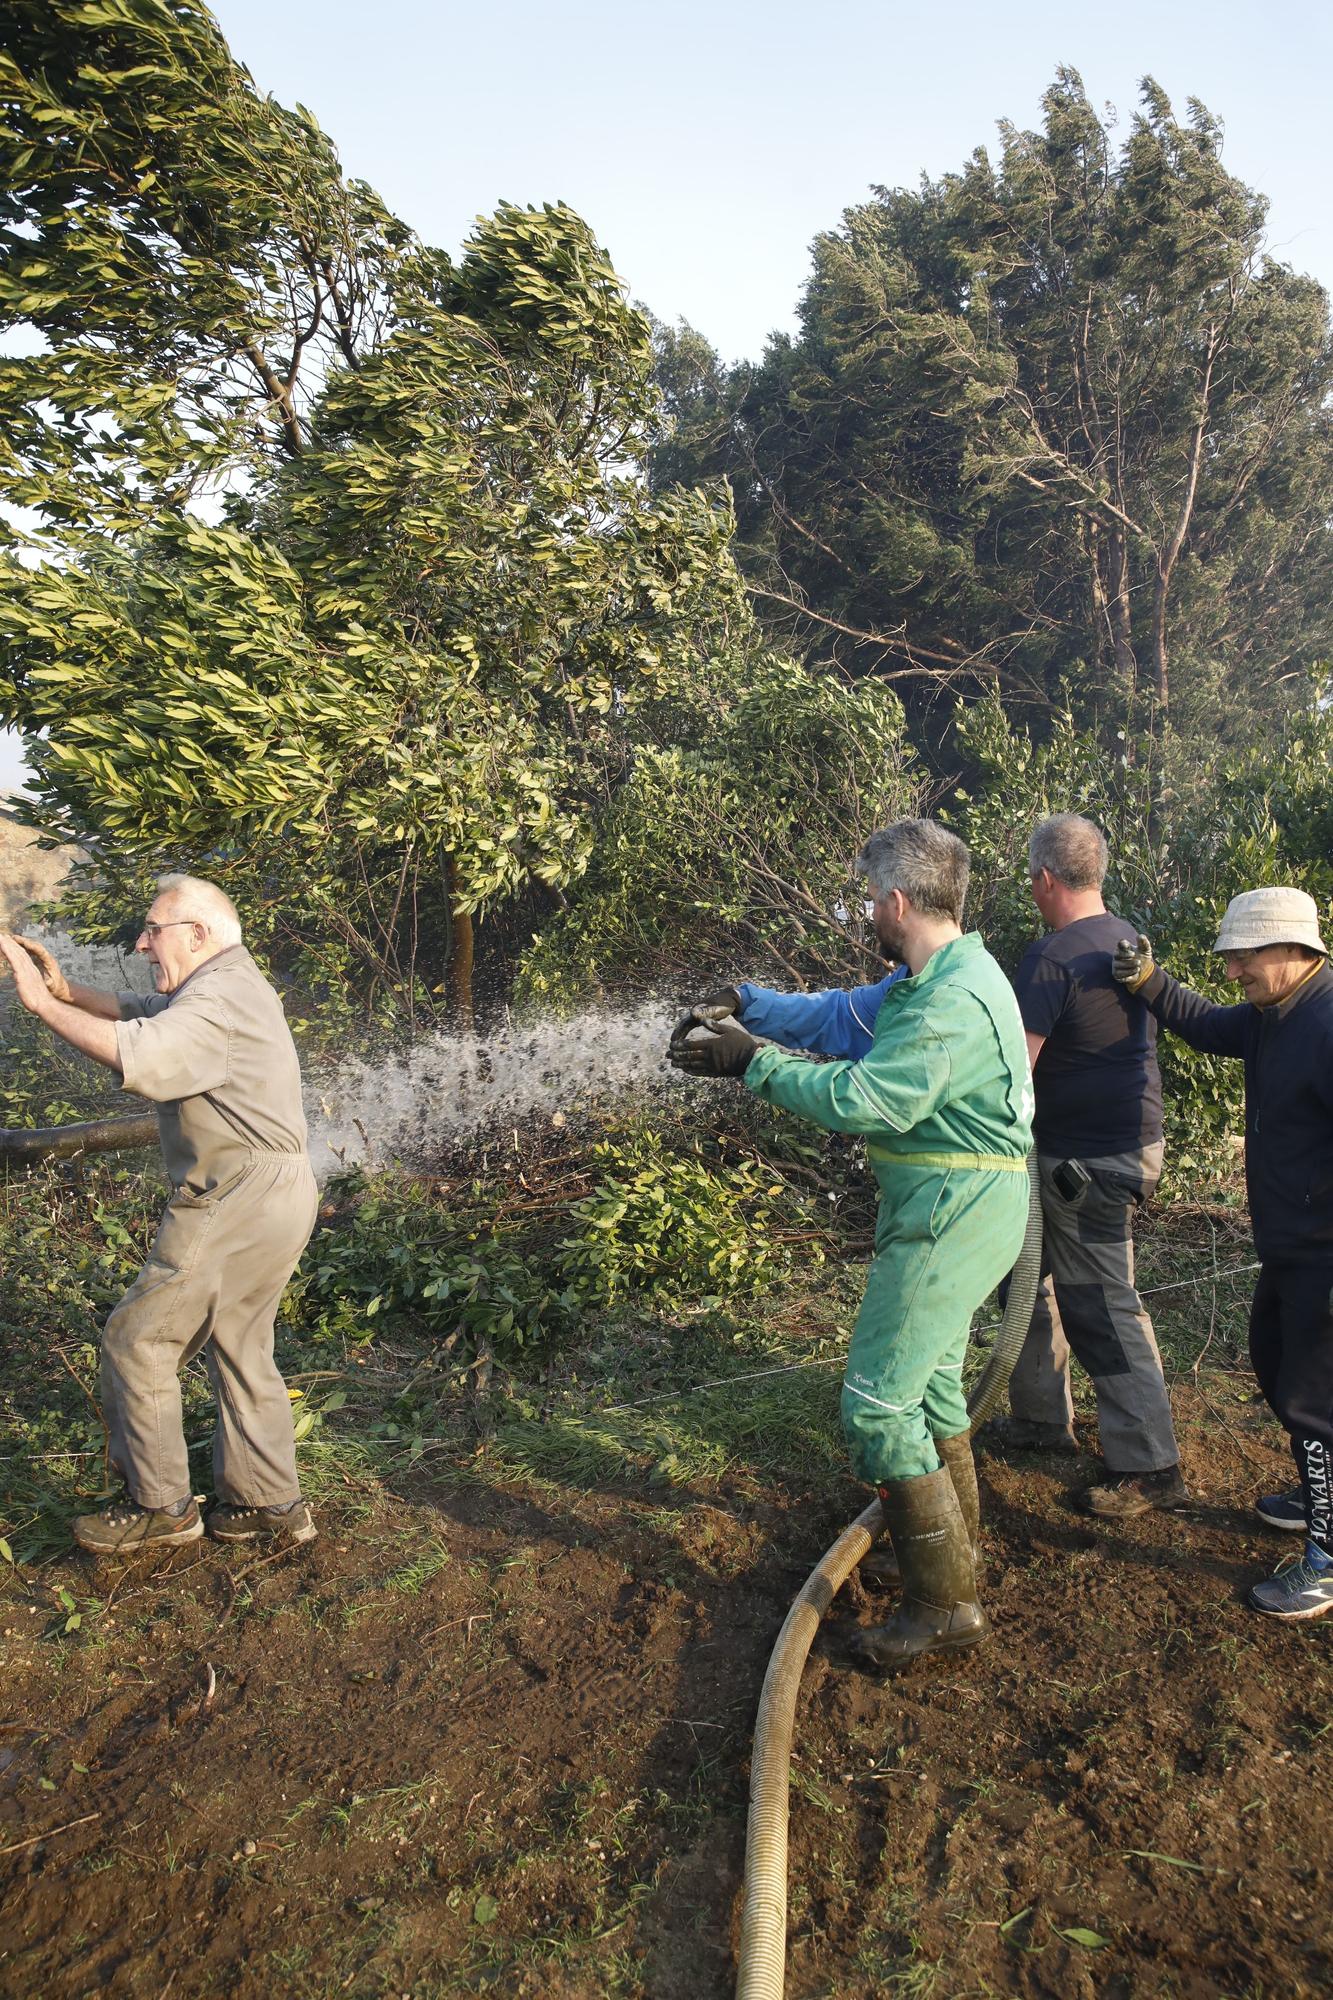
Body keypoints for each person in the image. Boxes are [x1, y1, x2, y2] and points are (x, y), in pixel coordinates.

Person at [670, 820, 1033, 1671]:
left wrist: (751, 1065)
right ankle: (958, 1566)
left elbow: (870, 1099)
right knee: (933, 1390)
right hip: (955, 1201)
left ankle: (942, 1606)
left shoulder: (951, 1002)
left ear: (896, 900)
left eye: (871, 898)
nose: (868, 910)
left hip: (952, 1212)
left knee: (876, 1405)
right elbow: (839, 1019)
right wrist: (748, 1004)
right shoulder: (929, 978)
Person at [0, 875, 320, 1556]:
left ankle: (160, 1508)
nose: (142, 943)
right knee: (240, 1347)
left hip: (237, 1193)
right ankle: (267, 1506)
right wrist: (67, 992)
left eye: (153, 929)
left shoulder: (218, 999)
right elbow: (146, 1009)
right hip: (278, 1188)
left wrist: (36, 1003)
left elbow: (140, 1050)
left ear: (197, 934)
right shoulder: (227, 983)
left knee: (137, 1339)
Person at [1113, 887, 1333, 1619]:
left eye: (1243, 956)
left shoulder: (1327, 1022)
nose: (1232, 970)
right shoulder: (1275, 1015)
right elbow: (1206, 1025)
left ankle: (1327, 1561)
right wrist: (1148, 983)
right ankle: (1318, 1496)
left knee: (1313, 1400)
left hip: (1324, 1254)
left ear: (1292, 949)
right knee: (1273, 1364)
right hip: (1290, 1246)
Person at [996, 813, 1187, 1516]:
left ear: (1046, 879)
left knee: (1099, 1303)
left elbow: (1015, 1071)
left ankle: (1150, 1465)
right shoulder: (1124, 935)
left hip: (1088, 1160)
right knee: (1021, 1277)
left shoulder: (1050, 957)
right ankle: (1040, 1419)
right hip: (1113, 1145)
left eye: (1030, 879)